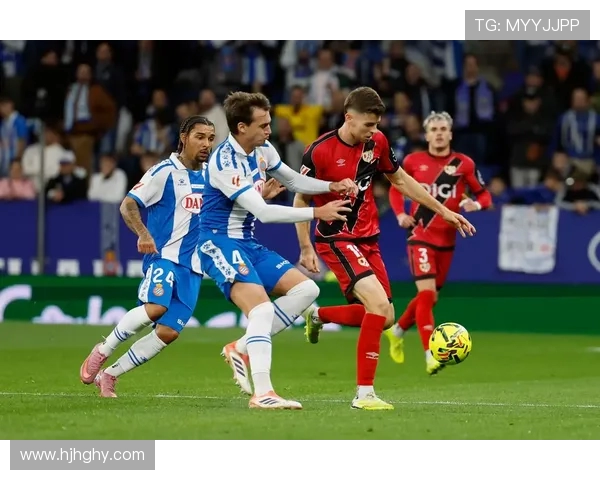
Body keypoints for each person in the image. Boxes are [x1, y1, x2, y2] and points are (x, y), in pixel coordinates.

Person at [294, 88, 475, 410]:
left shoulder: (377, 142)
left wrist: (444, 211)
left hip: (368, 237)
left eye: (377, 124)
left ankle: (317, 315)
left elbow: (401, 181)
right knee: (377, 305)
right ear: (349, 118)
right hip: (336, 237)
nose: (374, 131)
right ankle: (364, 394)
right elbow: (300, 198)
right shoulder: (319, 151)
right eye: (368, 125)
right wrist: (306, 246)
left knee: (387, 317)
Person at [199, 91, 358, 410]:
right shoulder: (223, 162)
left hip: (246, 242)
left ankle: (241, 347)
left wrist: (331, 186)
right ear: (241, 127)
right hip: (218, 242)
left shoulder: (263, 149)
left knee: (307, 290)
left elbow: (295, 181)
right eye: (263, 125)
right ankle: (263, 393)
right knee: (261, 310)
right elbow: (264, 212)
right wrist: (318, 212)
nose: (270, 130)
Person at [79, 116, 216, 397]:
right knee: (155, 308)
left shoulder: (212, 176)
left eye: (211, 138)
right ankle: (102, 350)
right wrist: (143, 233)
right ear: (184, 137)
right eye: (200, 137)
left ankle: (110, 375)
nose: (206, 144)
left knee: (168, 332)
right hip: (163, 256)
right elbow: (128, 205)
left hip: (193, 267)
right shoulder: (163, 172)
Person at [385, 111, 492, 375]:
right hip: (419, 235)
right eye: (434, 130)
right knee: (427, 294)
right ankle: (430, 354)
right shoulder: (413, 161)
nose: (439, 134)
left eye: (443, 129)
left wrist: (475, 204)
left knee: (430, 297)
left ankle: (397, 331)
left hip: (447, 239)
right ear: (427, 135)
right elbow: (395, 187)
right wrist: (400, 214)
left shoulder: (464, 164)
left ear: (451, 134)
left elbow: (485, 195)